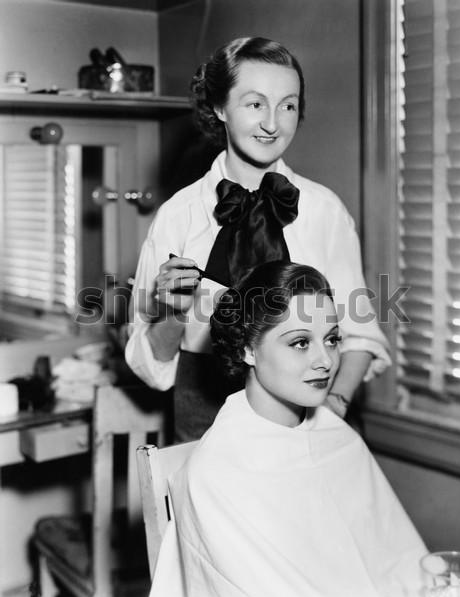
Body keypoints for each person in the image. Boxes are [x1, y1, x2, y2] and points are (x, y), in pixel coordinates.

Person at [125, 37, 391, 442]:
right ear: (219, 107)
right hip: (205, 430)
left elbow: (359, 334)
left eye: (287, 104)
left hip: (311, 422)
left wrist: (333, 411)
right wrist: (174, 313)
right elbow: (153, 367)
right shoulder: (178, 216)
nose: (273, 123)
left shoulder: (324, 210)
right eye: (255, 104)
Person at [149, 261, 427, 597]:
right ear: (247, 349)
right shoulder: (216, 475)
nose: (325, 360)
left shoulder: (338, 437)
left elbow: (400, 564)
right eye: (300, 342)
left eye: (332, 339)